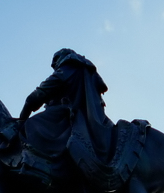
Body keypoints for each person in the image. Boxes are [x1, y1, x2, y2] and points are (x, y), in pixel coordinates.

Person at [19, 49, 114, 180]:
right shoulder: (86, 71)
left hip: (68, 116)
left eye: (55, 61)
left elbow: (39, 95)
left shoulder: (69, 67)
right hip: (89, 118)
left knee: (32, 125)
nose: (55, 66)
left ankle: (40, 169)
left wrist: (22, 119)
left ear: (61, 57)